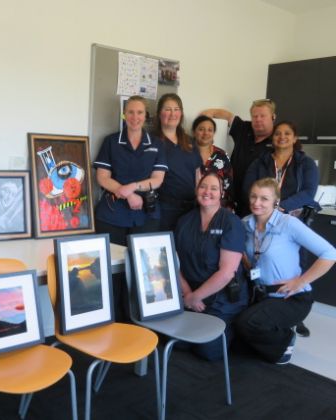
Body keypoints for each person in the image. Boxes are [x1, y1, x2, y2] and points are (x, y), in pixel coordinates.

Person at [235, 178, 336, 364]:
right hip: (260, 293)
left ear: (276, 201)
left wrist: (300, 281)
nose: (257, 203)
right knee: (235, 337)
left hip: (291, 297)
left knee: (248, 324)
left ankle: (285, 341)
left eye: (264, 198)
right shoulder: (245, 224)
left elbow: (330, 254)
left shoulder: (288, 223)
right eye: (253, 197)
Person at [174, 172, 248, 361]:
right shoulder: (184, 221)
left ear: (222, 193)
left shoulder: (231, 223)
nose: (207, 192)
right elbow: (175, 263)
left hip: (222, 298)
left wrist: (195, 297)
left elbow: (227, 273)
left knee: (207, 351)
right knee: (178, 342)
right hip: (190, 294)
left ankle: (233, 329)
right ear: (196, 190)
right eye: (203, 187)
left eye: (214, 188)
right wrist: (187, 294)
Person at [93, 95, 168, 246]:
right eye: (130, 112)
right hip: (112, 213)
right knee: (113, 259)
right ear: (124, 114)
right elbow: (102, 177)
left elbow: (157, 179)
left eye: (140, 112)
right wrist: (129, 195)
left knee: (142, 259)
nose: (135, 117)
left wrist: (133, 187)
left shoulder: (157, 144)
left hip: (146, 213)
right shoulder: (111, 141)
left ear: (146, 115)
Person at [202, 99, 275, 216]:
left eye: (263, 116)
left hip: (258, 205)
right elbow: (227, 115)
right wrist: (208, 114)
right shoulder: (244, 129)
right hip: (233, 201)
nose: (258, 120)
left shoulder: (278, 140)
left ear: (273, 117)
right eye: (255, 116)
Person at [243, 121, 320, 215]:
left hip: (293, 217)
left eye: (287, 133)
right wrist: (264, 206)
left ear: (294, 138)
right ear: (272, 138)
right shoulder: (259, 162)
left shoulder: (307, 163)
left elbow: (308, 192)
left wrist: (280, 207)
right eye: (277, 134)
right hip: (262, 215)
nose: (282, 137)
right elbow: (248, 189)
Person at [153, 93, 202, 231]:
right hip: (164, 209)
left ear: (181, 113)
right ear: (159, 114)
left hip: (191, 209)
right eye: (168, 109)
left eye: (176, 109)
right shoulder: (152, 142)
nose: (172, 114)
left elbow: (198, 174)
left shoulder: (189, 142)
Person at [192, 115, 234, 209]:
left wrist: (227, 208)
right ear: (194, 132)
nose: (206, 133)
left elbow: (228, 185)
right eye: (201, 129)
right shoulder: (186, 153)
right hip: (189, 207)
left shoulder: (221, 155)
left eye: (210, 130)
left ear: (214, 133)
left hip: (216, 208)